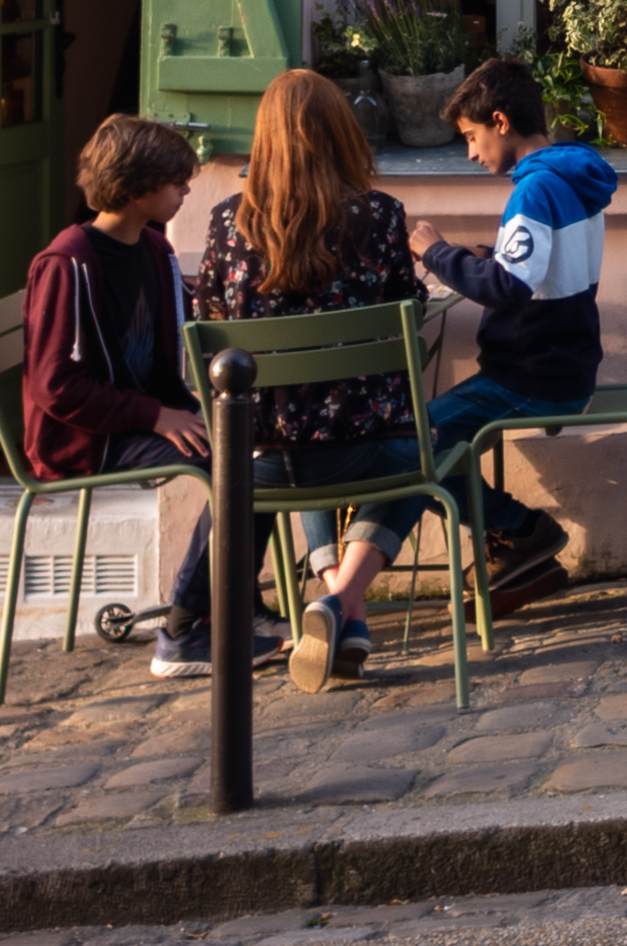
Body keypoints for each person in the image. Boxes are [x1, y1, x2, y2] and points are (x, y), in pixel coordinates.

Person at [172, 67, 432, 683]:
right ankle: (342, 601)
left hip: (255, 459)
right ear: (342, 132)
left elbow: (205, 318)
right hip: (358, 453)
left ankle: (343, 607)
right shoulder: (380, 216)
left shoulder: (226, 222)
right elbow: (409, 315)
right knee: (422, 449)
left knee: (305, 422)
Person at [19, 112, 236, 671]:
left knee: (262, 441)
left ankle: (235, 608)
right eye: (176, 182)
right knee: (235, 463)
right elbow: (55, 385)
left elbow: (178, 340)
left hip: (144, 414)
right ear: (138, 188)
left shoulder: (156, 252)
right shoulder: (68, 263)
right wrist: (156, 416)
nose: (187, 190)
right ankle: (187, 625)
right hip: (90, 436)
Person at [410, 61, 602, 610]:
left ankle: (523, 531)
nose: (471, 153)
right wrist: (488, 255)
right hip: (563, 363)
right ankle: (516, 553)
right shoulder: (571, 176)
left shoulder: (535, 190)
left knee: (406, 445)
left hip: (530, 377)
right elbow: (534, 269)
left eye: (471, 137)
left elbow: (508, 289)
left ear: (500, 121)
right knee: (423, 436)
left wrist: (436, 252)